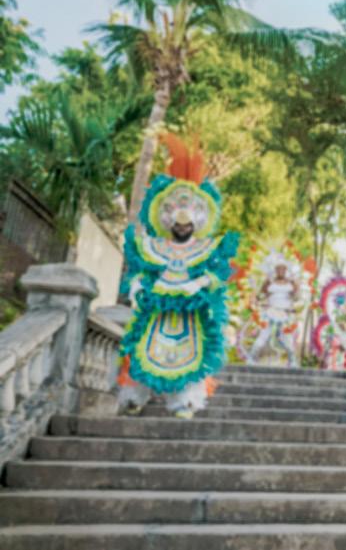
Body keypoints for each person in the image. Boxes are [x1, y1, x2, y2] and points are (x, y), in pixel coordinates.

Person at [118, 134, 238, 419]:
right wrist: (136, 287)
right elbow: (141, 271)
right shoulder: (153, 246)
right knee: (143, 347)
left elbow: (216, 276)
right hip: (156, 308)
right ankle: (134, 396)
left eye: (188, 221)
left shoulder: (207, 249)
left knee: (191, 352)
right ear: (166, 217)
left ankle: (186, 401)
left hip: (190, 312)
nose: (182, 225)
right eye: (177, 219)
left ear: (198, 220)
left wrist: (197, 284)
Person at [248, 256, 300, 366]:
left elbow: (296, 297)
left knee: (287, 340)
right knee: (262, 337)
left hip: (285, 314)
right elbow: (261, 296)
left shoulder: (291, 282)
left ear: (285, 270)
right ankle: (252, 359)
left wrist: (296, 285)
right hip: (270, 313)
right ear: (275, 270)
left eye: (283, 268)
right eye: (278, 268)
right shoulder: (269, 281)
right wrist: (256, 299)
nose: (281, 270)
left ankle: (292, 361)